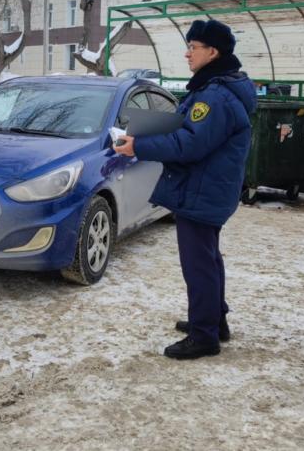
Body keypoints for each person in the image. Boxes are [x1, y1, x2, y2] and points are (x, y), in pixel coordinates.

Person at [114, 18, 255, 360]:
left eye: (194, 48)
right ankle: (213, 320)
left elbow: (190, 143)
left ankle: (204, 335)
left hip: (202, 189)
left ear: (213, 52)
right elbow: (190, 131)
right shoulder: (214, 87)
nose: (187, 53)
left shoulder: (216, 95)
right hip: (207, 186)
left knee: (198, 263)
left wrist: (140, 146)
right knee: (208, 258)